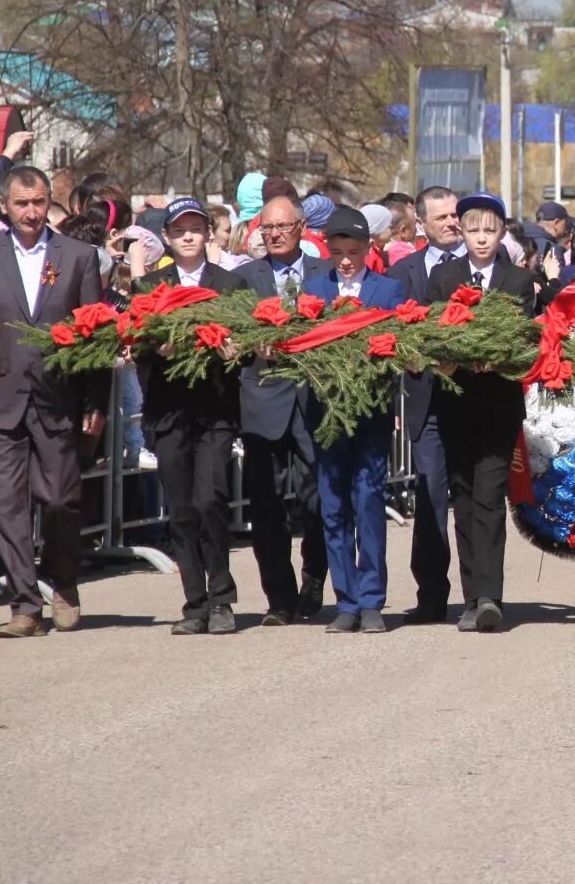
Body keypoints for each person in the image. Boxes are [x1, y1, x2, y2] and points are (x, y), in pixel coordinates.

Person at [0, 166, 107, 638]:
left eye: (39, 202)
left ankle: (64, 582)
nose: (31, 212)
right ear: (5, 205)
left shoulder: (78, 256)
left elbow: (94, 335)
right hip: (0, 400)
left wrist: (96, 402)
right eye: (22, 203)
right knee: (9, 505)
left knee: (61, 499)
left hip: (59, 397)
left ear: (48, 204)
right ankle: (24, 604)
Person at [428, 192, 538, 632]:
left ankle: (491, 596)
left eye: (489, 230)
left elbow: (525, 339)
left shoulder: (516, 281)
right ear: (460, 230)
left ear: (502, 232)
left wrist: (496, 359)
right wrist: (446, 357)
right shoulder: (445, 276)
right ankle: (470, 595)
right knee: (464, 497)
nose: (480, 238)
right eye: (472, 229)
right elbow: (432, 330)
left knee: (490, 497)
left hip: (497, 405)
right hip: (455, 403)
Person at [135, 198, 242, 634]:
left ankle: (222, 598)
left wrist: (235, 350)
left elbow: (245, 343)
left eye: (196, 228)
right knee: (180, 510)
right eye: (179, 229)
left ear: (209, 233)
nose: (188, 236)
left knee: (211, 500)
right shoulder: (150, 287)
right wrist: (155, 350)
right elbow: (136, 341)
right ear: (166, 236)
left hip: (214, 410)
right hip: (169, 411)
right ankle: (195, 603)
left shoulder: (228, 284)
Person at [299, 207, 403, 633]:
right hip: (326, 413)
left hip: (372, 413)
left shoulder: (388, 290)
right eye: (337, 252)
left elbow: (399, 347)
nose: (345, 260)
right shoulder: (313, 289)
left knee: (368, 501)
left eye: (353, 252)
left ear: (368, 249)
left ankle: (372, 598)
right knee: (333, 504)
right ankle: (345, 600)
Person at [234, 195, 334, 623]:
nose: (274, 235)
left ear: (301, 229)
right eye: (267, 228)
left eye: (283, 227)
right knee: (266, 505)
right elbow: (232, 339)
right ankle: (279, 597)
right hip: (263, 401)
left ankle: (313, 581)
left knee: (318, 500)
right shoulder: (243, 278)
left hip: (313, 401)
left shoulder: (324, 275)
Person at [391, 187, 467, 625]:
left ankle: (480, 594)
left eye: (455, 214)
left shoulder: (478, 267)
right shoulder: (404, 273)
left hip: (472, 400)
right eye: (441, 217)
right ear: (421, 223)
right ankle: (432, 595)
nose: (451, 222)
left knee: (473, 498)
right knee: (431, 495)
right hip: (426, 401)